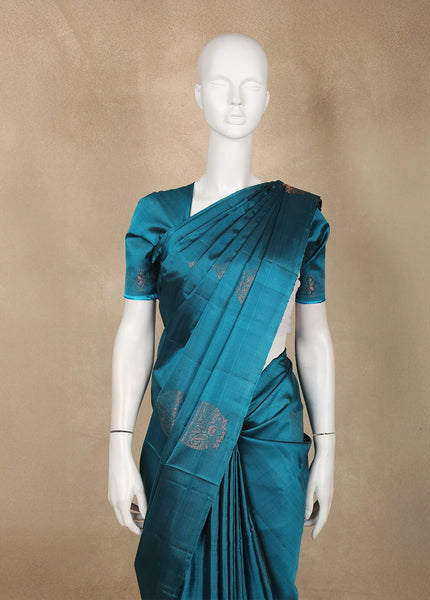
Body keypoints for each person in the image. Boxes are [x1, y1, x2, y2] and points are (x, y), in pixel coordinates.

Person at [108, 33, 335, 600]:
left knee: (270, 579)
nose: (235, 99)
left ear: (266, 99)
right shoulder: (157, 216)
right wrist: (117, 442)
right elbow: (135, 330)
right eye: (220, 84)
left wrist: (329, 445)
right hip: (185, 424)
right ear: (197, 96)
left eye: (250, 86)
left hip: (270, 427)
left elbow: (313, 337)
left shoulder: (297, 219)